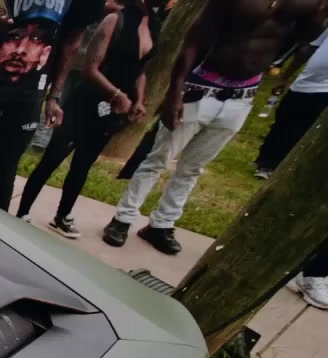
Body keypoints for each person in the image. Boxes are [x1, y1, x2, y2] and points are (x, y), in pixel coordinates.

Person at [102, 0, 326, 254]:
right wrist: (175, 92)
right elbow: (193, 41)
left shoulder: (303, 3)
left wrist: (320, 11)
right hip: (201, 88)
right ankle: (123, 218)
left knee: (193, 167)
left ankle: (162, 224)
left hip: (243, 95)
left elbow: (306, 36)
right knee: (159, 158)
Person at [16, 0, 158, 236]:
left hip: (113, 110)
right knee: (53, 158)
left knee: (83, 164)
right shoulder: (116, 19)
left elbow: (141, 71)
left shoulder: (154, 25)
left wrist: (139, 100)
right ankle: (23, 210)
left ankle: (62, 215)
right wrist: (117, 94)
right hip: (86, 101)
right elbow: (90, 69)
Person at [0, 0, 106, 211]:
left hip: (27, 100)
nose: (20, 49)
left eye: (36, 40)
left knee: (4, 175)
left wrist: (54, 96)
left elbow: (72, 44)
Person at [255, 29, 328, 178]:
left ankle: (272, 165)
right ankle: (263, 159)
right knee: (281, 120)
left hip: (324, 89)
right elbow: (310, 48)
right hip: (302, 83)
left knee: (299, 129)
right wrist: (285, 77)